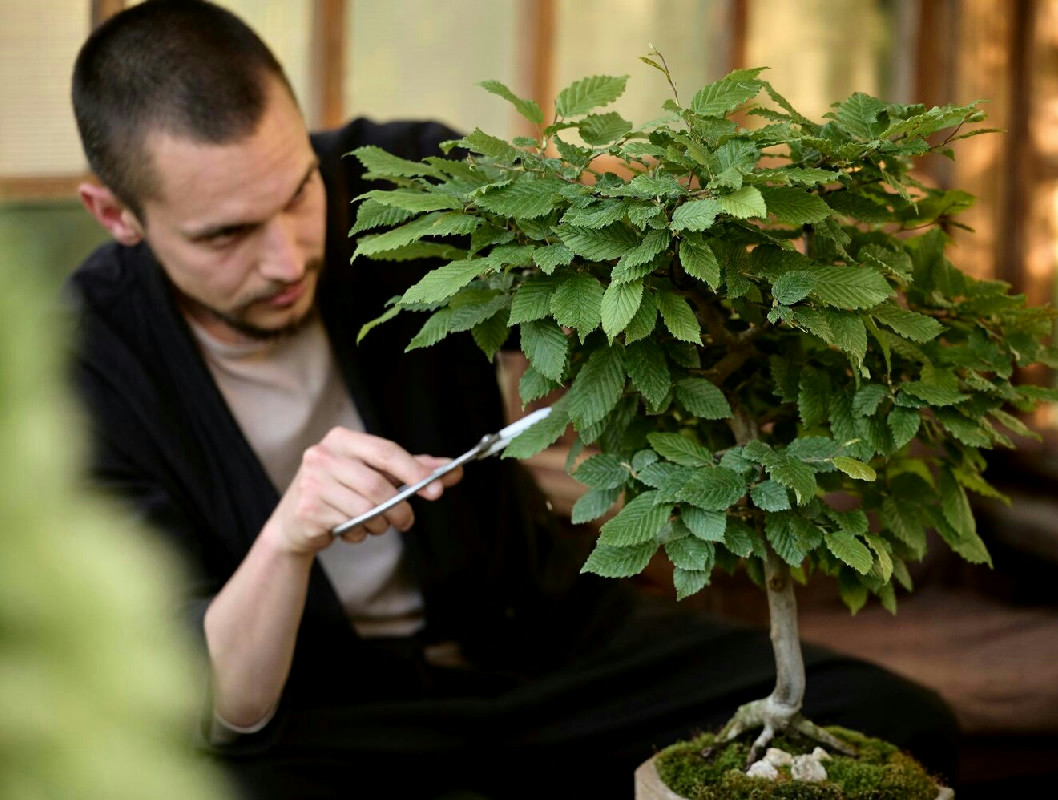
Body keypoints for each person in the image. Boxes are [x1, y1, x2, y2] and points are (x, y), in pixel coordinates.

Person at [64, 1, 959, 797]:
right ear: (116, 215)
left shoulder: (405, 182)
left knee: (892, 722)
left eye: (298, 193)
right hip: (328, 712)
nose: (288, 257)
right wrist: (289, 538)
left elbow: (588, 250)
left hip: (546, 652)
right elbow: (223, 707)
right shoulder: (82, 367)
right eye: (225, 235)